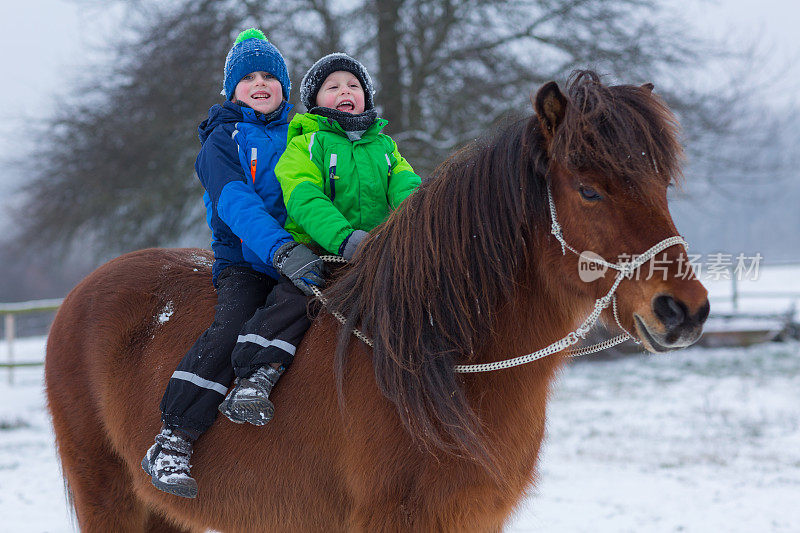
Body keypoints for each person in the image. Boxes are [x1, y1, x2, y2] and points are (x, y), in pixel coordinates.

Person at [140, 28, 324, 499]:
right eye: (249, 78)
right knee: (231, 326)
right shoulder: (222, 140)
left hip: (304, 253)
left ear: (285, 86)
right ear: (231, 90)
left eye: (270, 76)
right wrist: (280, 248)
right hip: (248, 259)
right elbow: (235, 201)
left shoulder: (305, 133)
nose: (260, 84)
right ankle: (174, 438)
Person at [273, 53, 421, 262]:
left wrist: (421, 218)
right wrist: (343, 239)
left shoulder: (385, 146)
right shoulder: (305, 145)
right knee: (285, 296)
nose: (345, 90)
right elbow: (304, 196)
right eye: (333, 87)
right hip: (316, 253)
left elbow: (406, 185)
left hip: (378, 249)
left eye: (354, 86)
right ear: (315, 100)